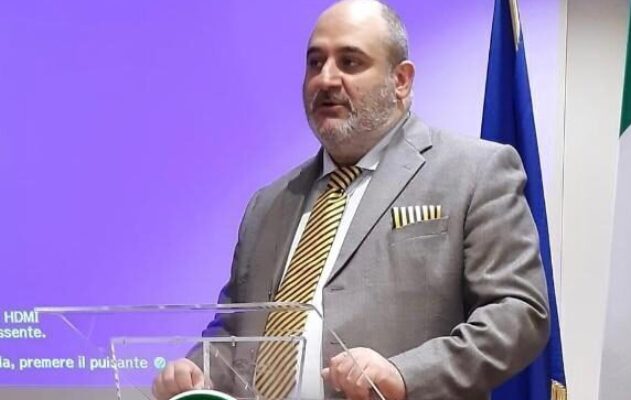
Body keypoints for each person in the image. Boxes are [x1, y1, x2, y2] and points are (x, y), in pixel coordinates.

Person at [152, 0, 549, 399]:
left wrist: (405, 374)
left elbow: (517, 313)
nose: (326, 79)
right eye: (315, 62)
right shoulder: (267, 204)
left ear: (401, 81)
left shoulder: (474, 171)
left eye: (350, 62)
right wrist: (197, 369)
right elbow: (235, 327)